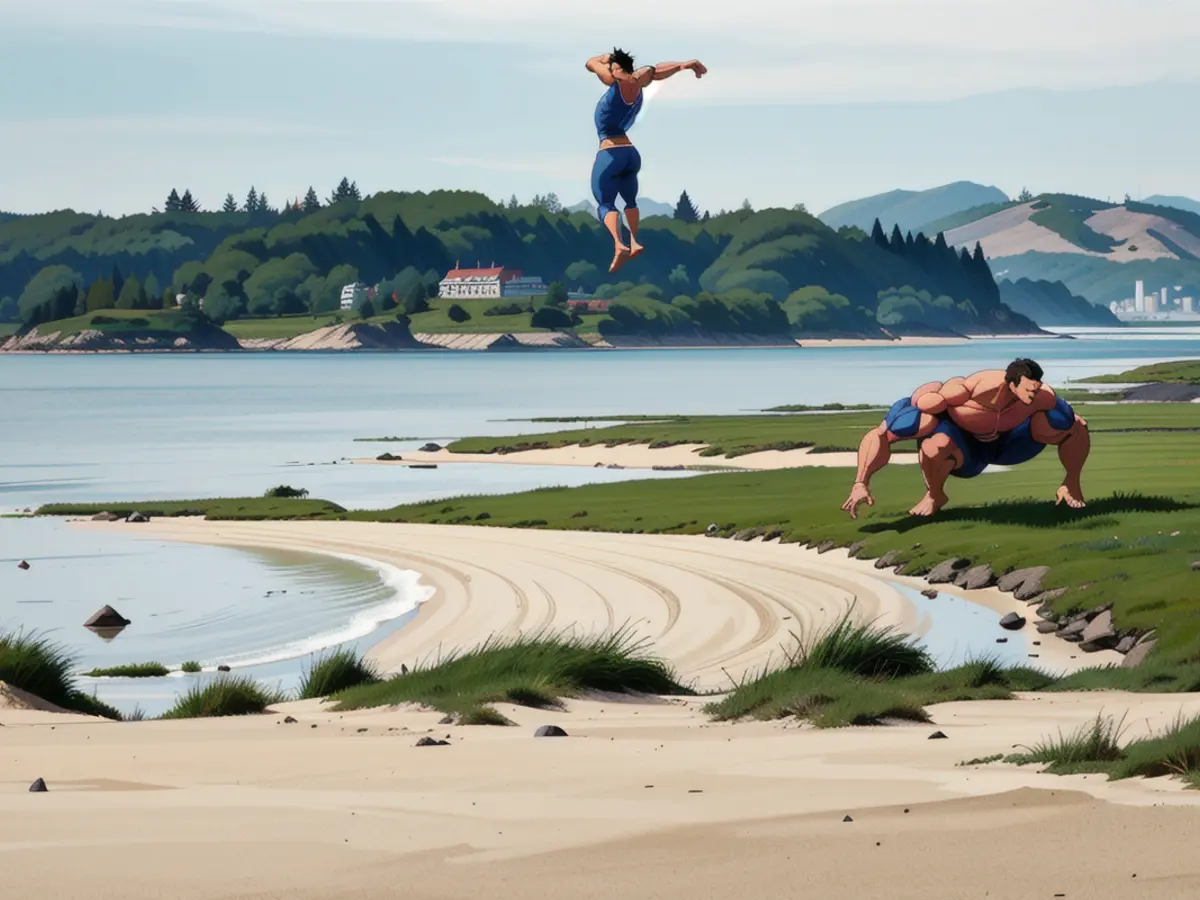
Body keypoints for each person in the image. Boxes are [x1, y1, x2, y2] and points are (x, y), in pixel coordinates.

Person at [841, 358, 1091, 519]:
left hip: (1011, 444)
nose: (1032, 395)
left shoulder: (1041, 396)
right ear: (1011, 384)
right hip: (967, 450)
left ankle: (1070, 485)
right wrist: (861, 482)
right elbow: (881, 433)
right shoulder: (961, 393)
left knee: (1075, 424)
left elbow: (1070, 425)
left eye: (1036, 389)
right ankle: (935, 494)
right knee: (931, 441)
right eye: (1028, 390)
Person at [585, 48, 707, 274]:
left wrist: (604, 60)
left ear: (616, 69)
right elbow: (657, 70)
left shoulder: (616, 82)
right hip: (631, 154)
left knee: (605, 203)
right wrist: (684, 65)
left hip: (610, 153)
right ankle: (634, 240)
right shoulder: (638, 82)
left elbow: (591, 63)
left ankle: (619, 244)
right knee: (630, 201)